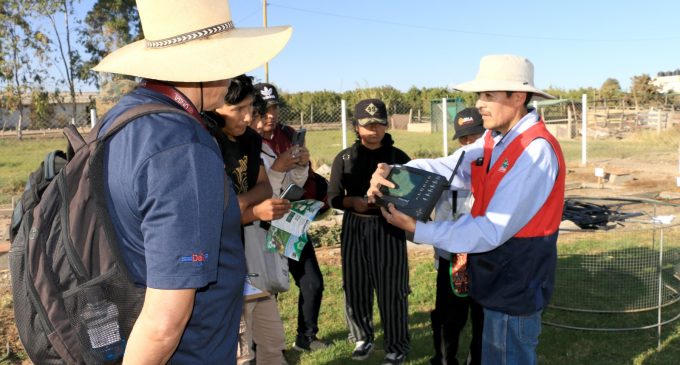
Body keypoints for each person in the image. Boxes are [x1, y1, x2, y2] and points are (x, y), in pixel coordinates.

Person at [91, 0, 291, 362]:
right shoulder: (182, 147)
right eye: (228, 62)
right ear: (203, 66)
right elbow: (165, 322)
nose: (232, 77)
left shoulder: (125, 118)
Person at [367, 54, 566, 365]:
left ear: (518, 97)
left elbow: (490, 229)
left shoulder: (534, 151)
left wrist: (420, 230)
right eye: (479, 95)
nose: (479, 103)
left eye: (488, 94)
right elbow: (450, 167)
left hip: (516, 282)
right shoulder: (494, 139)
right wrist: (393, 171)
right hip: (499, 277)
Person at [204, 74, 291, 365]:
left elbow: (264, 186)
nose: (247, 117)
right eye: (238, 110)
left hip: (252, 260)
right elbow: (209, 216)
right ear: (216, 107)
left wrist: (240, 206)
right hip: (222, 266)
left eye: (250, 108)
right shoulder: (205, 141)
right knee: (240, 352)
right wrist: (253, 212)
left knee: (273, 343)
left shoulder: (251, 140)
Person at [328, 99, 411, 365]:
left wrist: (389, 202)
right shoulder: (344, 158)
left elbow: (412, 196)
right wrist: (352, 202)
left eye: (379, 124)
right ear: (355, 126)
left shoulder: (399, 157)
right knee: (355, 284)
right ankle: (362, 337)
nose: (373, 130)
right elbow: (332, 197)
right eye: (367, 125)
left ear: (386, 125)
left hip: (389, 227)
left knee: (392, 288)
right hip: (354, 226)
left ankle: (396, 344)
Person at [254, 82, 329, 352]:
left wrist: (301, 165)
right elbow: (257, 190)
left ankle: (306, 337)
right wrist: (278, 166)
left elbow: (300, 179)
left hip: (290, 219)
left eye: (274, 107)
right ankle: (266, 346)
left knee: (312, 282)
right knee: (266, 289)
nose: (271, 114)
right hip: (260, 223)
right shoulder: (245, 142)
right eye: (264, 109)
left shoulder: (286, 133)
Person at [429, 107, 485, 365]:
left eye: (475, 136)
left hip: (486, 254)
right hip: (455, 258)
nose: (468, 143)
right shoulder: (447, 171)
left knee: (482, 314)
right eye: (463, 138)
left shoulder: (497, 171)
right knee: (450, 314)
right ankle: (444, 358)